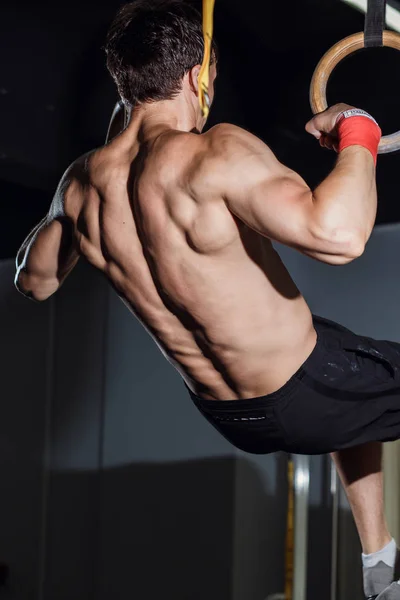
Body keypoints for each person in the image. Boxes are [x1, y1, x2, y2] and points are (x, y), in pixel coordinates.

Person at [14, 1, 400, 598]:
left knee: (355, 371)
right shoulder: (212, 153)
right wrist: (359, 129)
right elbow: (339, 235)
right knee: (345, 379)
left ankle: (379, 561)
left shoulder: (82, 184)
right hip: (306, 387)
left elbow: (33, 281)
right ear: (200, 76)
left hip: (231, 416)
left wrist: (71, 205)